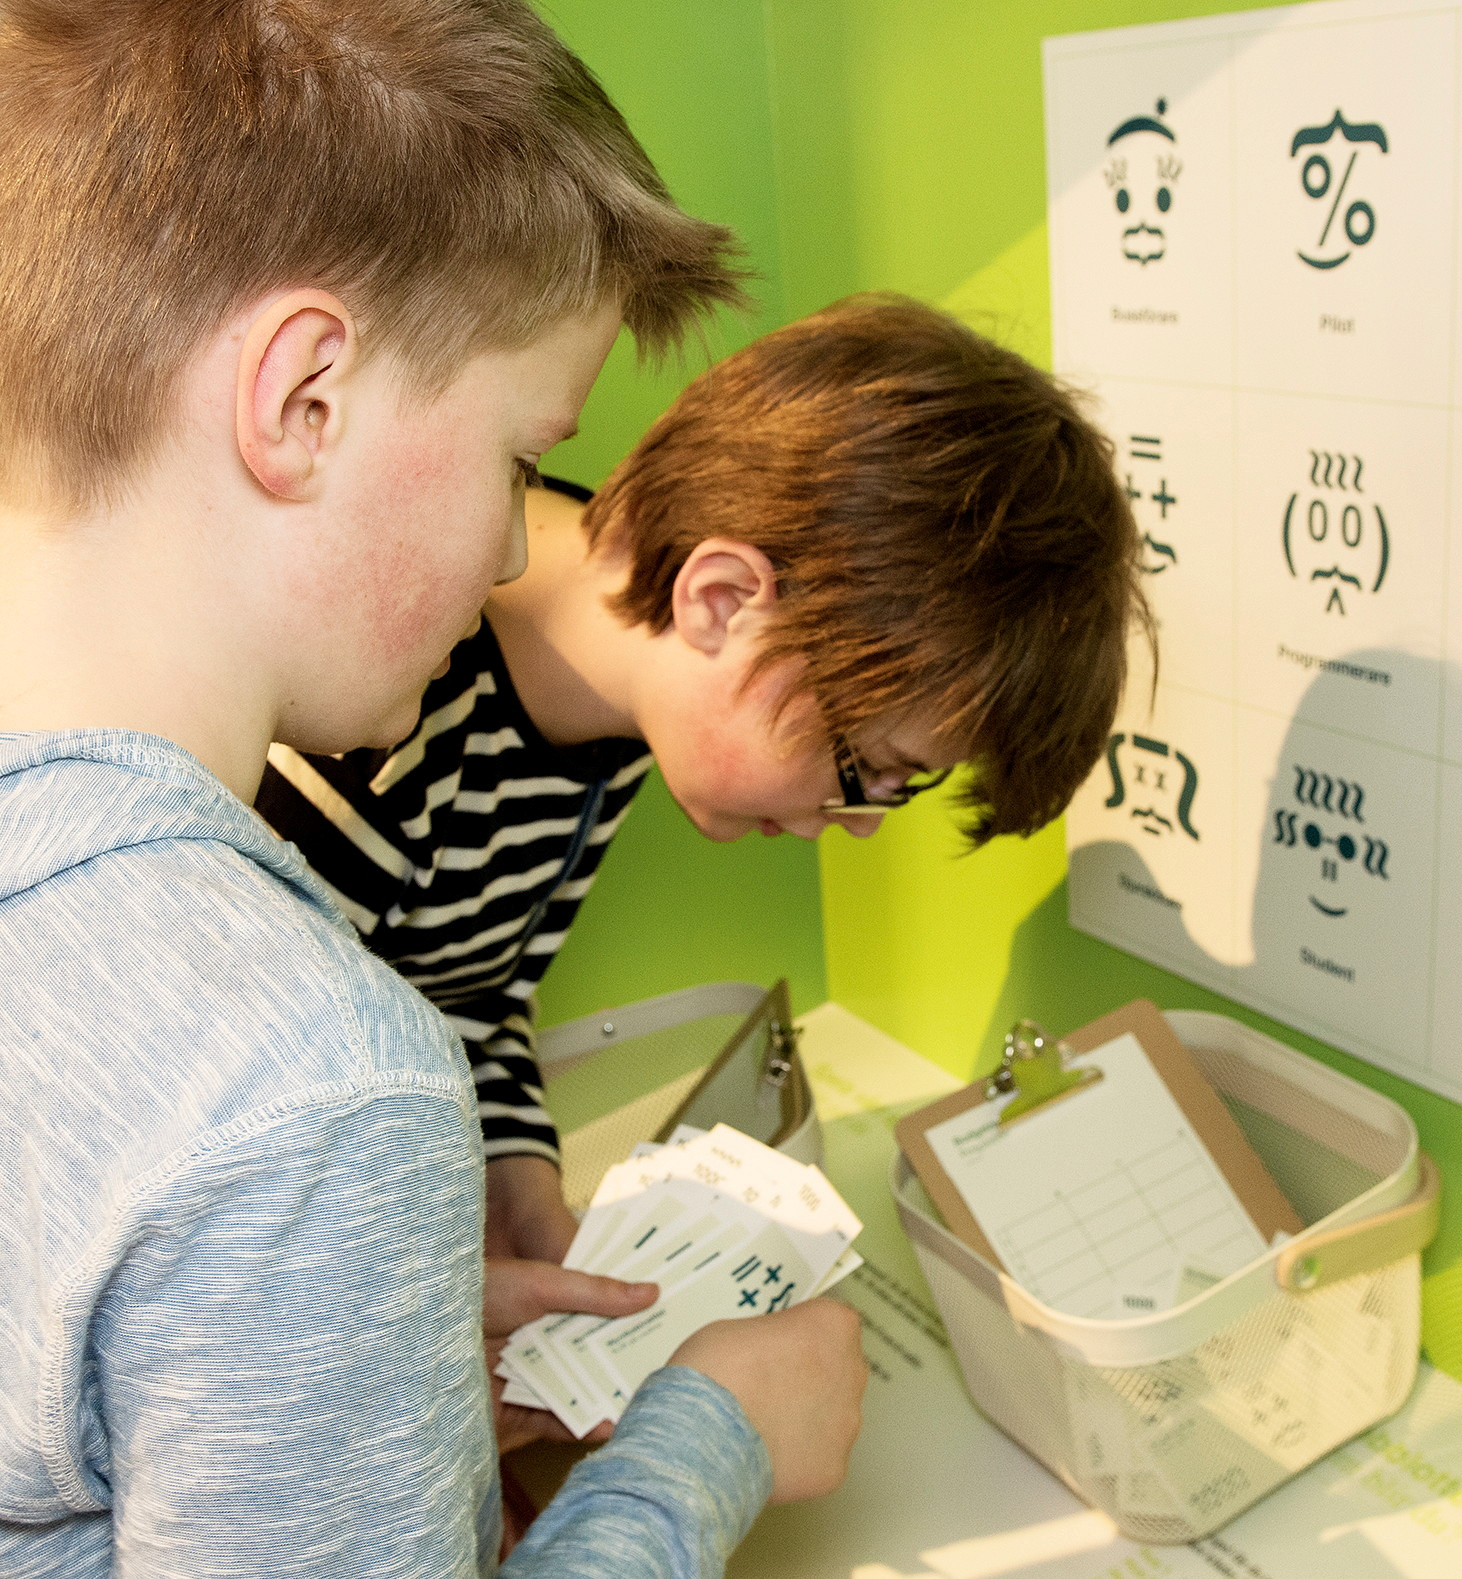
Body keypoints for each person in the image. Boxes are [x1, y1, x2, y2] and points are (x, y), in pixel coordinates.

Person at [0, 2, 866, 1574]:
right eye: (523, 454)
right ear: (303, 398)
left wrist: (345, 1335)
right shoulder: (307, 1086)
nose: (511, 543)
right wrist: (707, 1443)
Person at [258, 291, 1153, 1451]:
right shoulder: (370, 719)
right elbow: (235, 1163)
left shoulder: (630, 702)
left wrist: (519, 1172)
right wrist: (408, 1321)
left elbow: (467, 990)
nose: (860, 823)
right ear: (722, 600)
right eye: (867, 771)